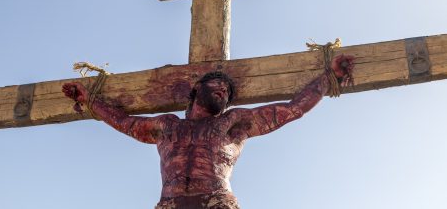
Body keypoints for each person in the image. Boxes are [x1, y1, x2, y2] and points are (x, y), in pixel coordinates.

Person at [62, 54, 354, 209]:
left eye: (227, 90)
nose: (223, 89)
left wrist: (329, 78)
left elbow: (292, 109)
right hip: (170, 204)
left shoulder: (232, 123)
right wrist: (90, 101)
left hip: (217, 203)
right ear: (195, 89)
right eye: (216, 84)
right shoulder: (167, 126)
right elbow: (125, 122)